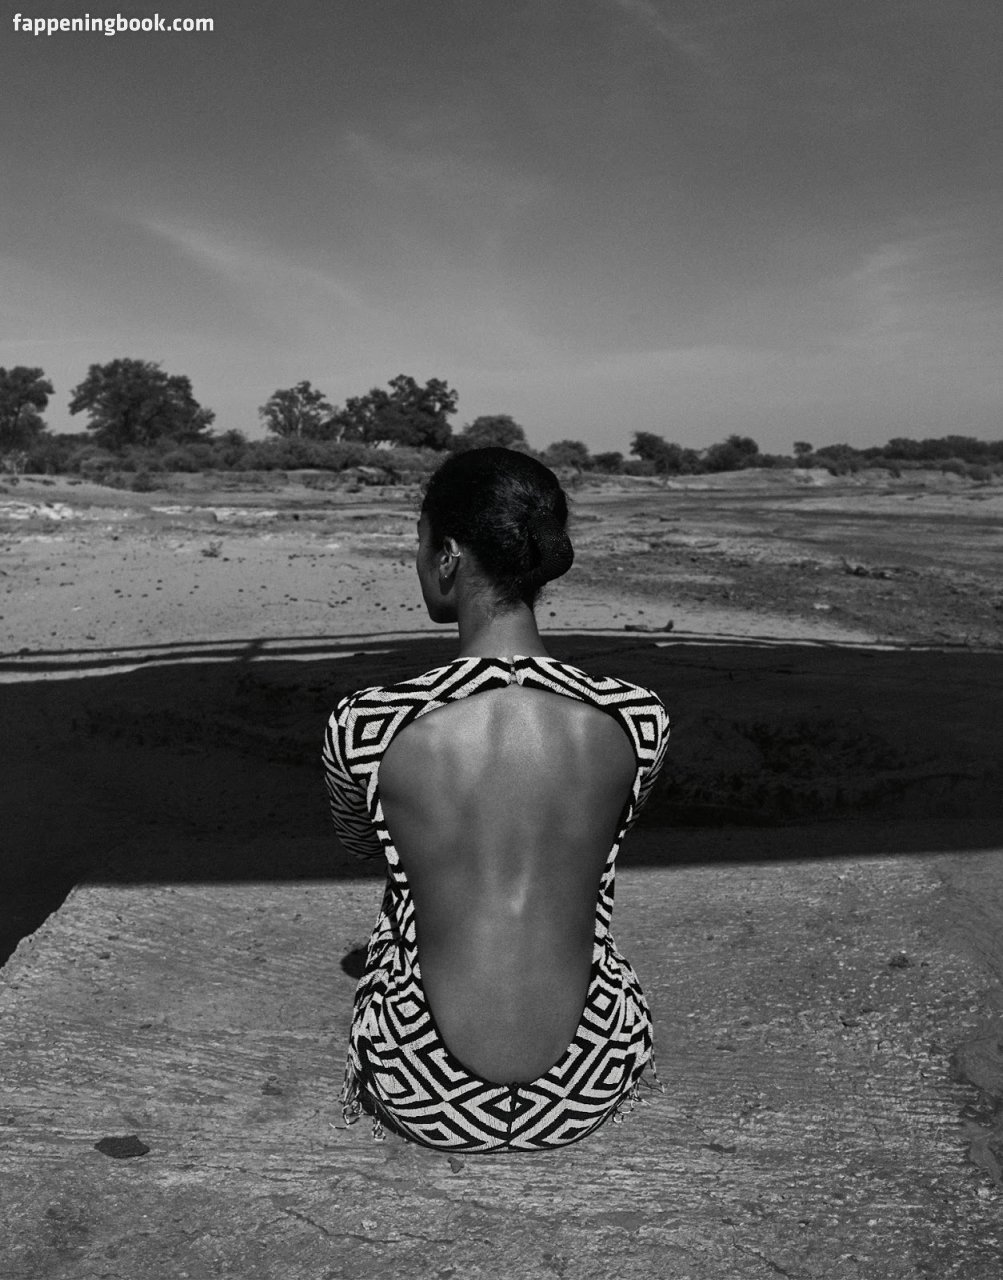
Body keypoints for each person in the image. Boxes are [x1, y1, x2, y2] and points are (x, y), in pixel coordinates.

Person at [322, 447, 669, 1151]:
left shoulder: (367, 722)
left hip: (421, 1089)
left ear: (448, 555)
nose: (418, 561)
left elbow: (362, 845)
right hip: (585, 1084)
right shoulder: (639, 717)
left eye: (420, 543)